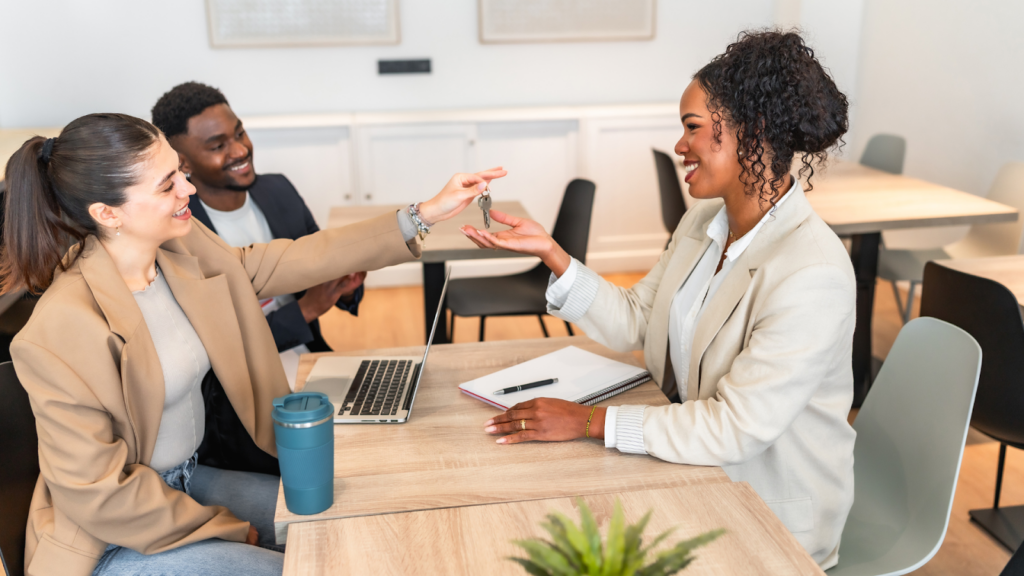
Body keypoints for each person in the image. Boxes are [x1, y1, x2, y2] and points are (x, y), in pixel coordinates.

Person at [2, 112, 504, 576]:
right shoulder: (61, 329)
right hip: (112, 539)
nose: (188, 188)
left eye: (181, 172)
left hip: (187, 480)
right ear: (107, 213)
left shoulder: (180, 247)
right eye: (168, 183)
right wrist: (221, 526)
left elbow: (277, 263)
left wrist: (423, 214)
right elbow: (100, 497)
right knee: (306, 566)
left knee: (349, 520)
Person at [462, 30, 854, 569]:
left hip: (766, 517)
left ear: (754, 132)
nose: (679, 145)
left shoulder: (813, 272)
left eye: (693, 128)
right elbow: (638, 322)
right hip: (698, 470)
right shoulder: (700, 224)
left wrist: (587, 422)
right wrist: (553, 254)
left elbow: (733, 427)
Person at [151, 82, 363, 389]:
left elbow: (322, 272)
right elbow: (214, 344)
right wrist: (307, 310)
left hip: (305, 358)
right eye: (217, 146)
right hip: (235, 388)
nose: (240, 150)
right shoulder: (176, 230)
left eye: (239, 133)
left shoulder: (278, 190)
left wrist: (342, 287)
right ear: (182, 162)